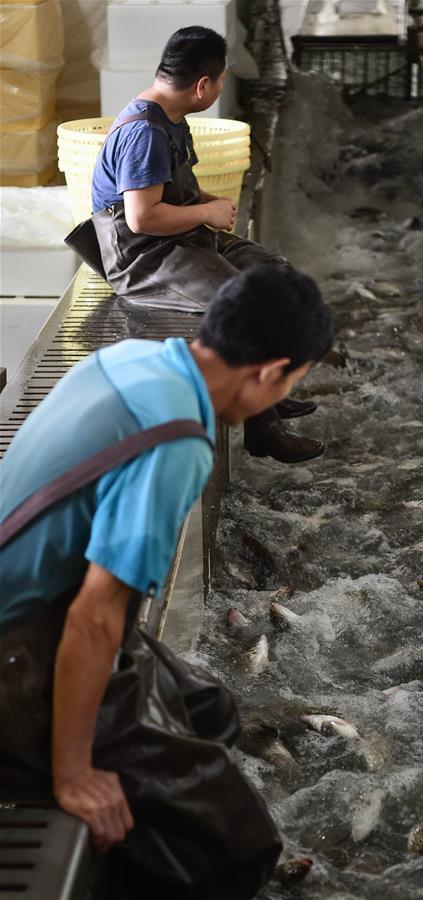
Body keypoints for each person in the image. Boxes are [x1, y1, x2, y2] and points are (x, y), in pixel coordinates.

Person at [0, 265, 333, 899]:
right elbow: (95, 617)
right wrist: (73, 773)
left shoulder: (133, 360)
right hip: (17, 658)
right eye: (291, 383)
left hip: (37, 609)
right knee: (233, 845)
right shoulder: (177, 440)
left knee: (211, 709)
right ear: (270, 371)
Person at [66, 25, 324, 465]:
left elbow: (175, 188)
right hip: (144, 258)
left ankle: (269, 396)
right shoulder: (143, 133)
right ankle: (264, 429)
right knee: (240, 305)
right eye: (221, 80)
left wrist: (208, 203)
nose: (220, 86)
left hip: (182, 240)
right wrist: (206, 214)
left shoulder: (171, 118)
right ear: (203, 85)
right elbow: (142, 217)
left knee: (277, 278)